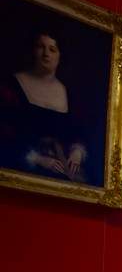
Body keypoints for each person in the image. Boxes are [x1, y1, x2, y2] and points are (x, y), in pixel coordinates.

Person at [0, 30, 88, 183]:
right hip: (22, 169)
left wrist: (77, 152)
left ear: (59, 55)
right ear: (34, 50)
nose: (46, 53)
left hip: (61, 168)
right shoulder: (13, 85)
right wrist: (38, 159)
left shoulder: (68, 92)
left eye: (52, 49)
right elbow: (5, 133)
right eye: (41, 47)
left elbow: (78, 132)